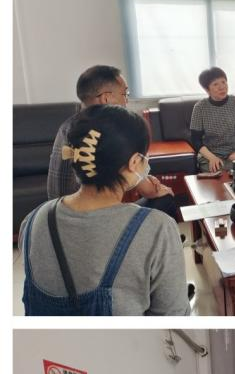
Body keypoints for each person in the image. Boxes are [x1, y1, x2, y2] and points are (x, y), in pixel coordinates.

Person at [21, 105, 189, 316]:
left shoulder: (33, 220)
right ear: (134, 162)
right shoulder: (158, 229)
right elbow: (174, 316)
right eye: (144, 158)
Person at [47, 65, 180, 224]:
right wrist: (153, 185)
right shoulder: (109, 131)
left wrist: (141, 177)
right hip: (93, 221)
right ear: (106, 98)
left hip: (59, 213)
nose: (126, 100)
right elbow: (149, 191)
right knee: (165, 199)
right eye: (124, 94)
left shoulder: (68, 126)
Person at [189, 67, 235, 173]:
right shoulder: (199, 107)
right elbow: (196, 140)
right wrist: (212, 157)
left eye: (223, 82)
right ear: (207, 89)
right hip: (211, 155)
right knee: (218, 172)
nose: (222, 87)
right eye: (215, 84)